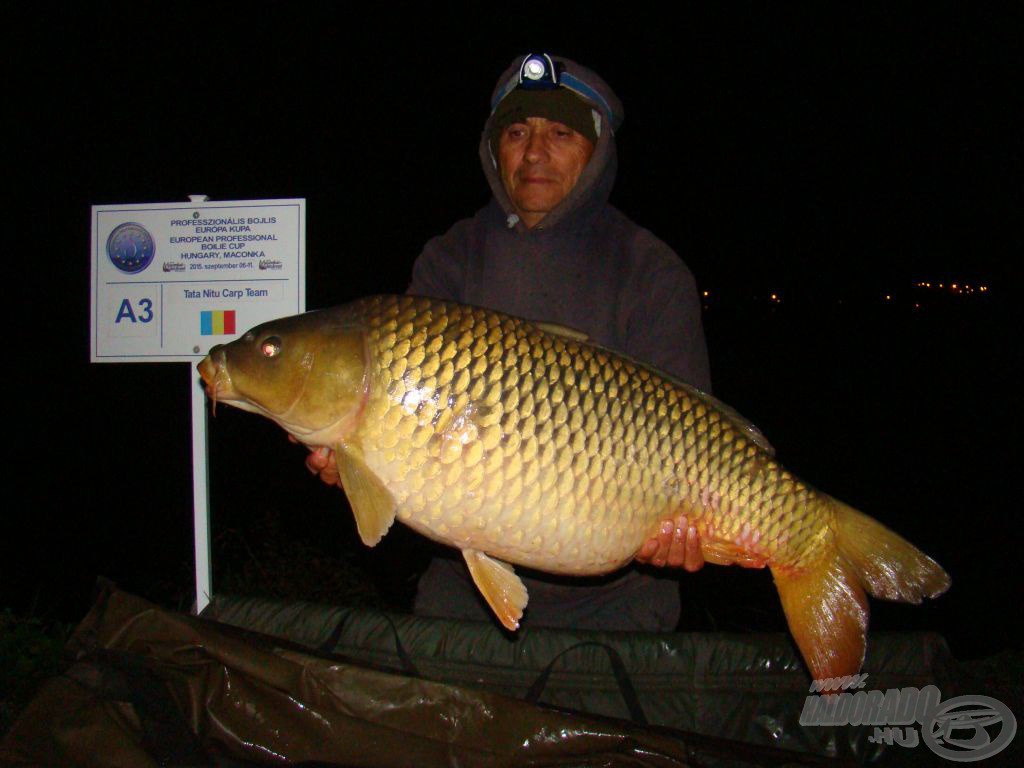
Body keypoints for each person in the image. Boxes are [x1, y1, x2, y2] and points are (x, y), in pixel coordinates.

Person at [307, 53, 708, 630]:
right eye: (517, 132)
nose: (535, 152)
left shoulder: (651, 272)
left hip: (619, 610)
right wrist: (355, 460)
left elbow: (691, 439)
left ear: (597, 152)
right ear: (495, 150)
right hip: (461, 600)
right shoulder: (449, 260)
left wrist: (681, 529)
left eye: (560, 133)